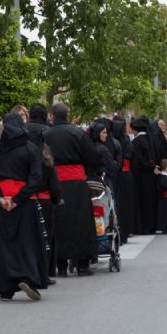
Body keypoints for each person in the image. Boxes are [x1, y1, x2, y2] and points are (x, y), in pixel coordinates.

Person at [0, 113, 46, 301]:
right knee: (27, 242)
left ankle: (6, 288)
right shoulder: (30, 149)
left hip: (2, 205)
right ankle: (29, 278)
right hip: (24, 203)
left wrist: (0, 198)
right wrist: (18, 199)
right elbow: (36, 178)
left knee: (5, 246)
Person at [44, 103, 101, 277]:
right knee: (81, 222)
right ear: (67, 115)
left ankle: (60, 265)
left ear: (53, 116)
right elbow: (93, 157)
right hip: (77, 183)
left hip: (55, 182)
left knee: (59, 223)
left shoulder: (45, 134)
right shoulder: (78, 133)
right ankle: (83, 264)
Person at [26, 103, 62, 284]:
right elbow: (52, 175)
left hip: (23, 197)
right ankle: (45, 272)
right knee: (46, 235)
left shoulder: (20, 135)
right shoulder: (47, 137)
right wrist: (57, 197)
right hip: (45, 196)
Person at [131, 117, 159, 235]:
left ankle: (145, 227)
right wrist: (154, 167)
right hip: (152, 173)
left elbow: (139, 160)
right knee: (151, 199)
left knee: (144, 201)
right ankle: (152, 225)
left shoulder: (137, 141)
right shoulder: (151, 139)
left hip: (142, 175)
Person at [112, 119, 135, 244]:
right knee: (126, 204)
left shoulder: (113, 141)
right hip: (126, 175)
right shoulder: (126, 140)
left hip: (117, 176)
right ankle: (126, 231)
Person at [89, 122, 119, 190]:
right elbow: (111, 167)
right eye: (104, 132)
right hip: (104, 182)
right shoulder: (102, 149)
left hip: (91, 182)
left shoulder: (89, 146)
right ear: (97, 133)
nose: (106, 135)